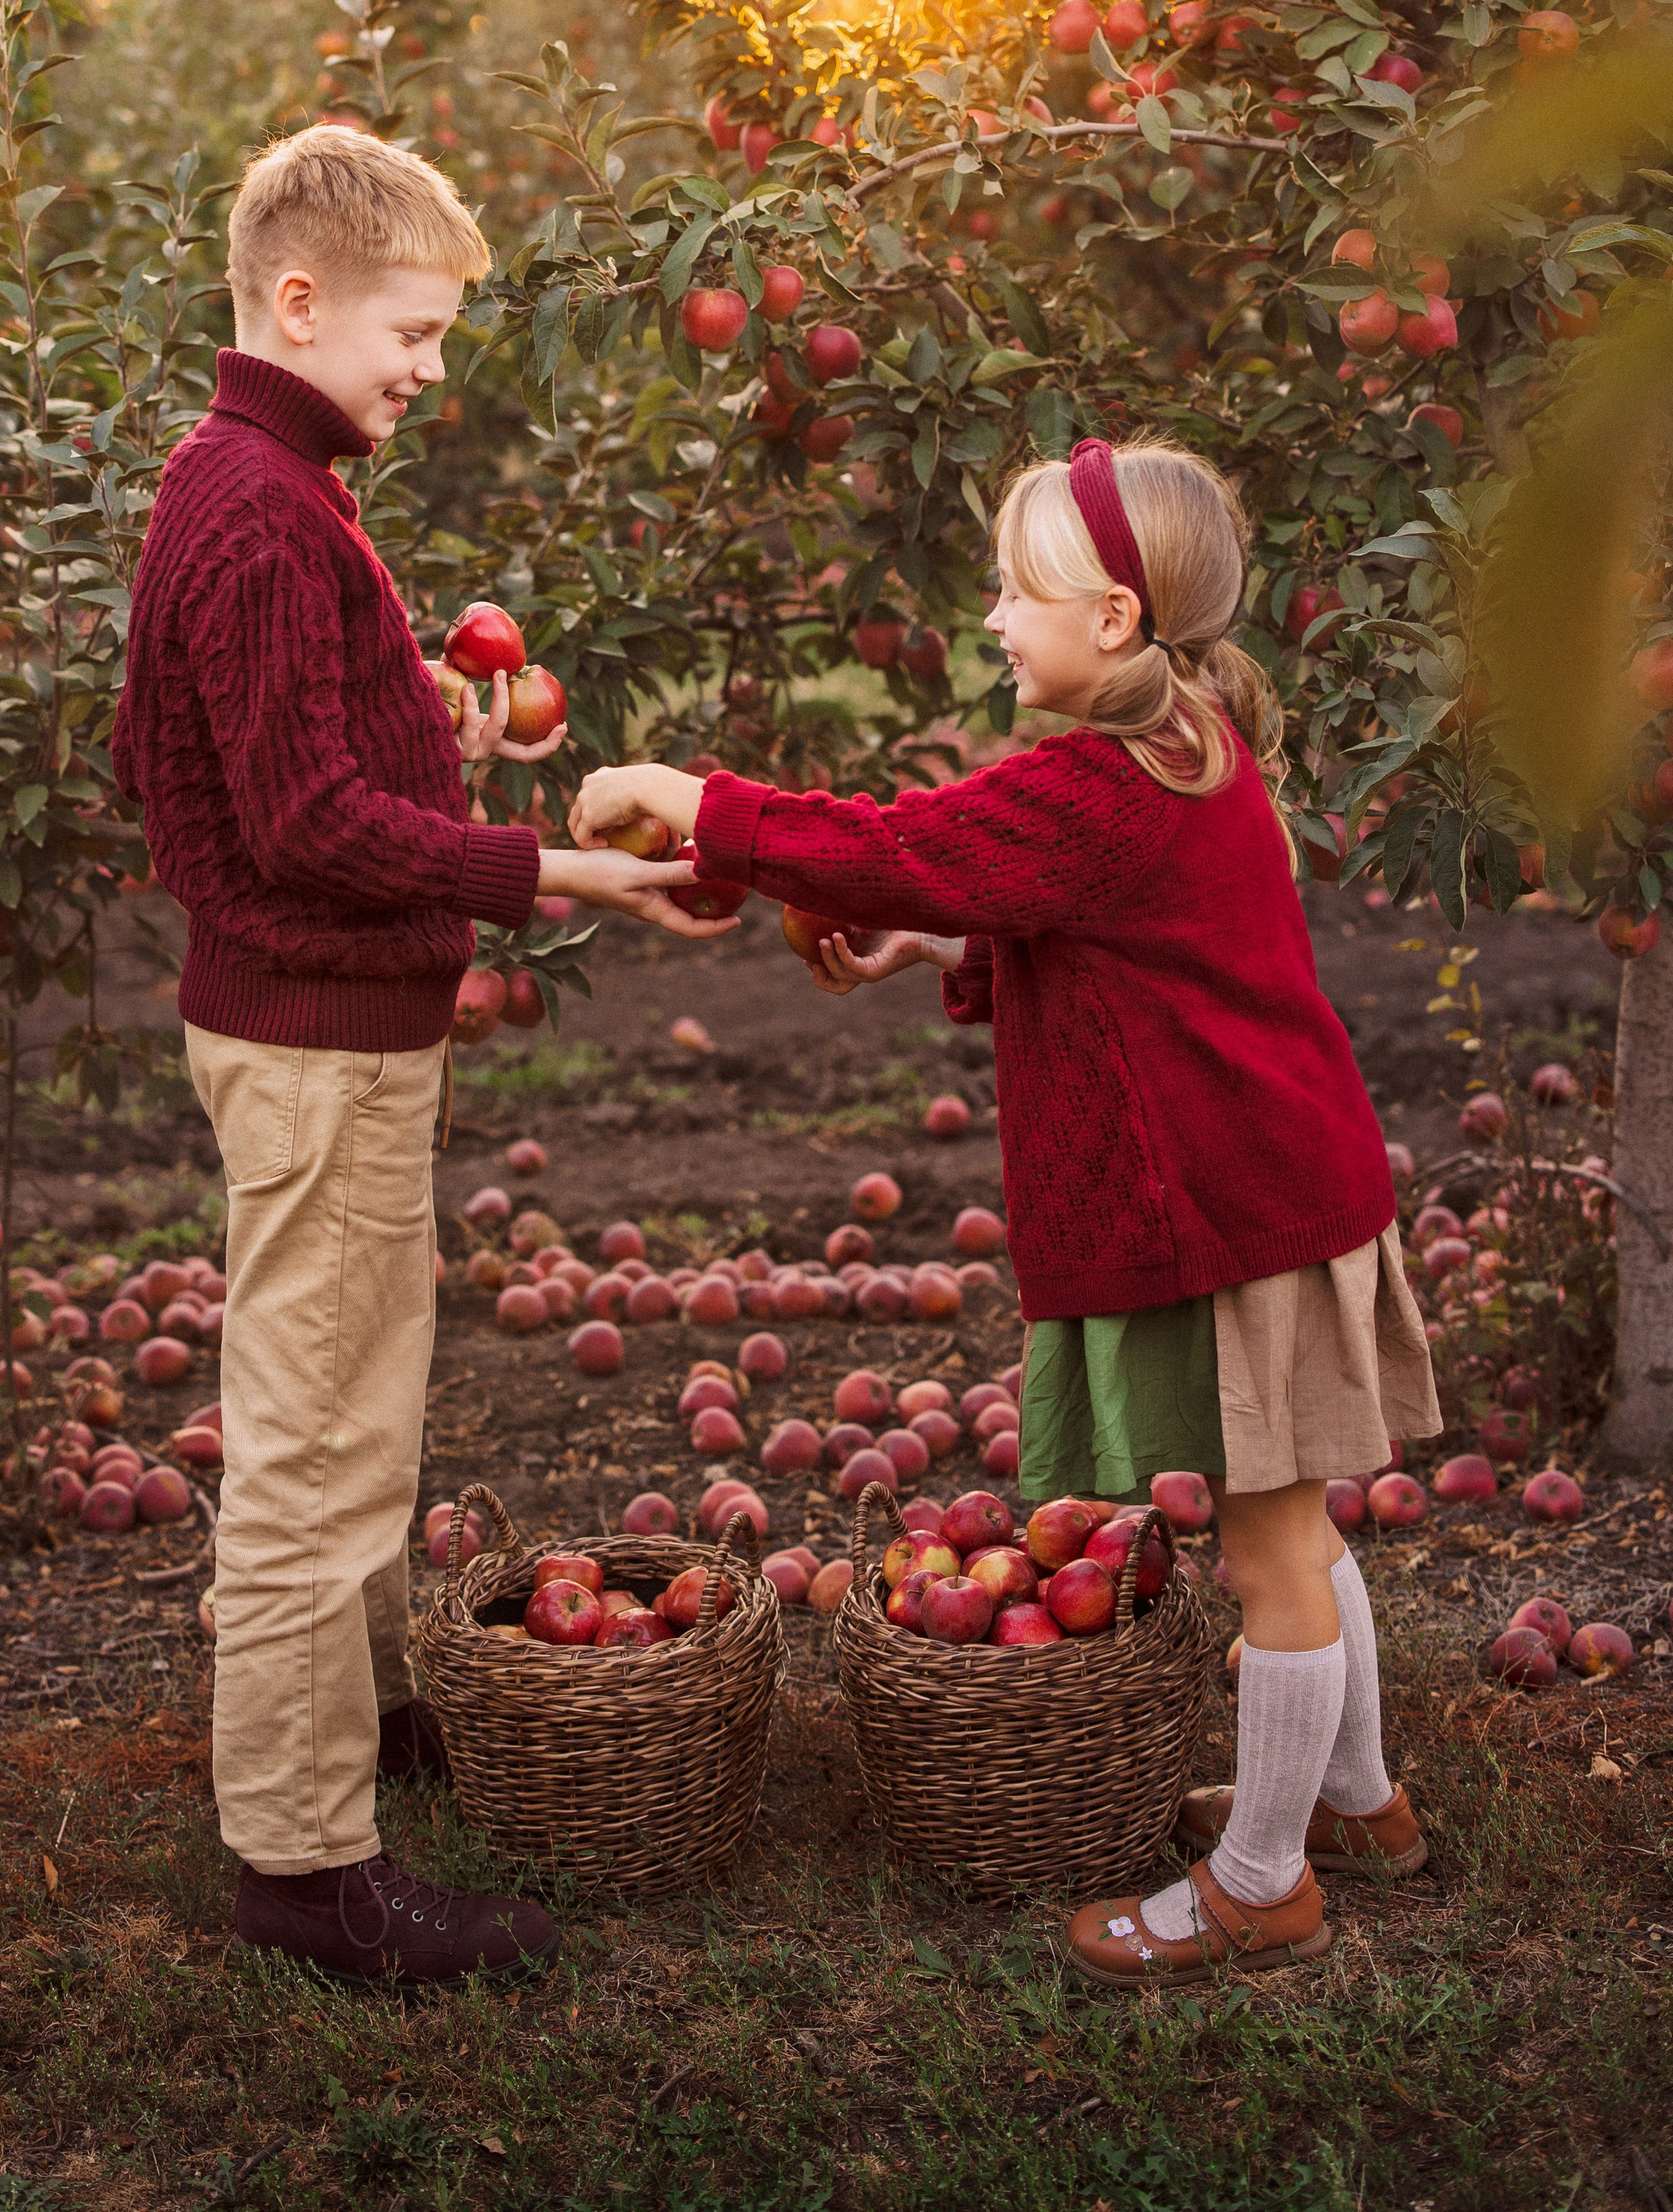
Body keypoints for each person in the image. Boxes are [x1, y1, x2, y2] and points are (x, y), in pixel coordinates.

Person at [569, 436, 1440, 1987]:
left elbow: (905, 848)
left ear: (1112, 616)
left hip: (1247, 1207)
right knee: (1296, 1519)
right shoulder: (1185, 740)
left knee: (1273, 1550)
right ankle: (1359, 1802)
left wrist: (691, 798)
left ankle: (1263, 1884)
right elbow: (1086, 920)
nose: (989, 616)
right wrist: (933, 949)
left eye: (1014, 591)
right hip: (1277, 1187)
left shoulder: (1101, 780)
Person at [112, 124, 723, 1987]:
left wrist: (432, 727)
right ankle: (306, 1868)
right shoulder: (265, 509)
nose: (432, 368)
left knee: (356, 1404)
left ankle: (363, 1727)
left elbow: (210, 754)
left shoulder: (256, 482)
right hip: (317, 1048)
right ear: (299, 303)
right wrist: (547, 872)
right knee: (317, 1452)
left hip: (322, 1031)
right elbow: (296, 822)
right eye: (416, 331)